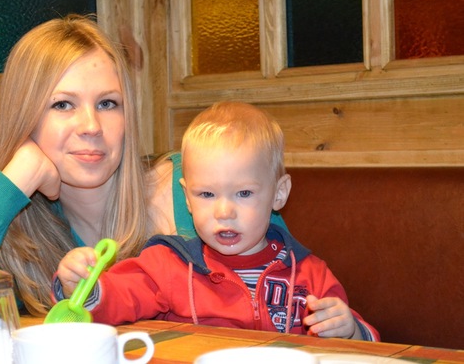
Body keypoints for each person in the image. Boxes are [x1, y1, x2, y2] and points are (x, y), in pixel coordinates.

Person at [0, 14, 291, 331]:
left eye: (107, 103)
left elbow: (290, 293)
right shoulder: (16, 234)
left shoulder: (200, 190)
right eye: (62, 105)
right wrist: (14, 182)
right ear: (26, 119)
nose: (91, 126)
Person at [55, 101, 380, 341]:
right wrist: (84, 286)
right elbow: (116, 299)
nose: (224, 212)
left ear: (279, 194)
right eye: (207, 194)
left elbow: (363, 345)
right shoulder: (168, 265)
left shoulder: (310, 274)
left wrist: (350, 330)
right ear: (187, 198)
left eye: (244, 193)